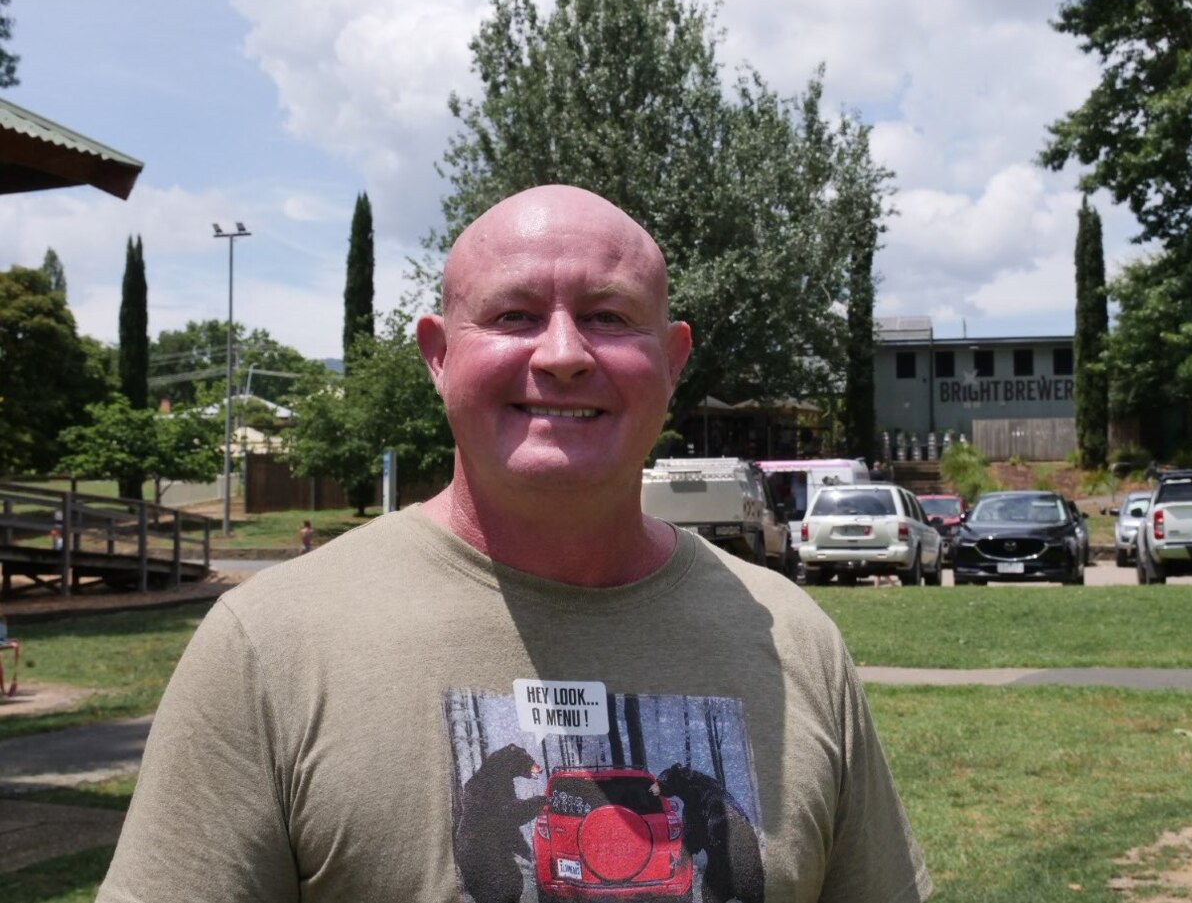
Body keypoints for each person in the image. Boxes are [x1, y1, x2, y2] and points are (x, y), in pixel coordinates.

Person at [98, 185, 931, 903]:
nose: (563, 354)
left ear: (670, 360)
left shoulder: (794, 642)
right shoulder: (266, 648)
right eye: (513, 316)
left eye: (608, 317)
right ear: (438, 354)